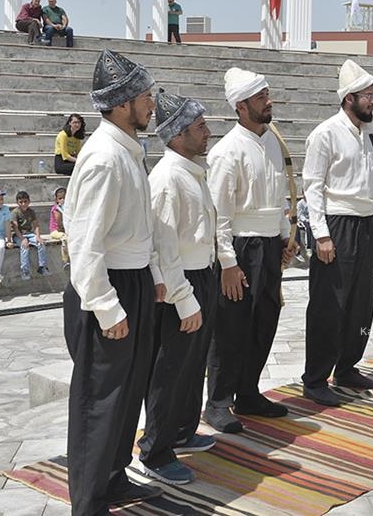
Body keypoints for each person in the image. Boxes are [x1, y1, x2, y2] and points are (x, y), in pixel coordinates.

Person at [63, 48, 164, 514]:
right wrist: (107, 306)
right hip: (109, 288)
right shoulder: (105, 157)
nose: (151, 104)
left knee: (127, 393)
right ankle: (87, 502)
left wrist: (152, 277)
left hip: (133, 281)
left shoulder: (128, 151)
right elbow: (85, 242)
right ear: (123, 103)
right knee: (100, 400)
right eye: (145, 96)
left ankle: (112, 478)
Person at [204, 68, 294, 432]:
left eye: (268, 95)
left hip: (270, 243)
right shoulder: (227, 152)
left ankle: (248, 391)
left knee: (264, 322)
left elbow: (280, 195)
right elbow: (218, 214)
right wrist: (228, 262)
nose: (269, 102)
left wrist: (286, 235)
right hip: (241, 247)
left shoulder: (272, 140)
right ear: (241, 106)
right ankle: (218, 401)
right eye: (261, 98)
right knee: (231, 327)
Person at [138, 90, 217, 485]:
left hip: (200, 275)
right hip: (179, 282)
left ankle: (183, 430)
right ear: (177, 135)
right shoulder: (168, 178)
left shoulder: (192, 170)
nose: (208, 133)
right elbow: (164, 247)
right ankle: (156, 449)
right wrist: (182, 298)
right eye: (200, 127)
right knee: (170, 369)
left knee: (192, 364)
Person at [301, 59, 373, 406]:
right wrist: (321, 235)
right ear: (349, 97)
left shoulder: (366, 135)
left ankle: (347, 366)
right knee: (329, 304)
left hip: (365, 225)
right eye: (368, 95)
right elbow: (313, 186)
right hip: (337, 225)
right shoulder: (325, 133)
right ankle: (316, 378)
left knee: (361, 304)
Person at [11, 190, 48, 280]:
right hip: (18, 235)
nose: (23, 204)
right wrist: (23, 239)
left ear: (29, 201)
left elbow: (36, 225)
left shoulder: (31, 212)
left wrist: (38, 237)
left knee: (41, 243)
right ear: (17, 202)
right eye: (21, 202)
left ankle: (42, 267)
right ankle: (25, 270)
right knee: (24, 246)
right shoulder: (15, 212)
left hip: (29, 233)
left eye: (25, 201)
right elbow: (15, 228)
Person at [0, 189, 14, 289]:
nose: (1, 201)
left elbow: (7, 226)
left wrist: (9, 240)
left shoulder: (5, 209)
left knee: (1, 247)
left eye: (1, 199)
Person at [49, 187, 69, 269]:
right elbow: (59, 223)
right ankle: (65, 261)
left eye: (64, 198)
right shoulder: (56, 209)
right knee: (65, 238)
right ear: (56, 200)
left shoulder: (67, 208)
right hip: (55, 231)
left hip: (64, 230)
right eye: (60, 198)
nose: (62, 200)